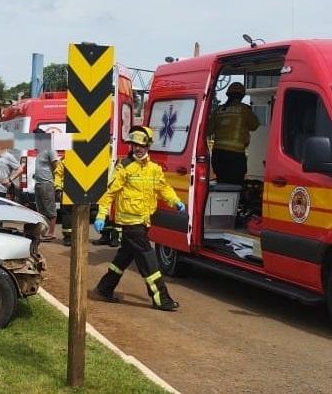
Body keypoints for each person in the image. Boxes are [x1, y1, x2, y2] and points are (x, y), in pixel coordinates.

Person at [91, 126, 186, 311]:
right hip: (130, 224)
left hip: (144, 222)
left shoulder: (154, 169)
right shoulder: (124, 166)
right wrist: (101, 214)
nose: (137, 148)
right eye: (134, 145)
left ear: (148, 146)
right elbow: (109, 193)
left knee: (124, 257)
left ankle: (104, 288)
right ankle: (161, 298)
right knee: (148, 260)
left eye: (141, 145)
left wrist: (175, 201)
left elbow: (163, 188)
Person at [209, 82, 259, 185]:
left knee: (222, 183)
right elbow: (254, 126)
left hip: (218, 154)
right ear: (241, 96)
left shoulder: (219, 110)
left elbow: (208, 130)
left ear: (228, 95)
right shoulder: (244, 109)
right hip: (235, 156)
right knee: (235, 187)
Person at [32, 128, 60, 241]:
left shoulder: (50, 149)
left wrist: (56, 182)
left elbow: (56, 166)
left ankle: (52, 233)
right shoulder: (39, 150)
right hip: (38, 183)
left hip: (47, 183)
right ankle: (44, 231)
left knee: (50, 209)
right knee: (41, 209)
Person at [54, 156, 72, 246]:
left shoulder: (64, 160)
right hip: (67, 190)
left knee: (68, 214)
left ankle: (70, 237)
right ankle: (68, 237)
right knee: (67, 214)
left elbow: (58, 174)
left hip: (71, 191)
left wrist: (58, 189)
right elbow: (58, 174)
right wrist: (58, 189)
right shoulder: (64, 160)